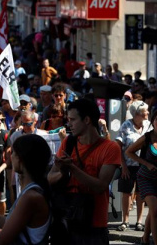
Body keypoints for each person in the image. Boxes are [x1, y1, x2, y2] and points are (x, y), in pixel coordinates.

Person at [48, 99, 120, 244]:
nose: (69, 124)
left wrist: (72, 168)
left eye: (73, 120)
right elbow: (50, 177)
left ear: (87, 120)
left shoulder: (110, 147)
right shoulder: (68, 143)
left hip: (93, 224)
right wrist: (63, 173)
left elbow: (100, 186)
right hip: (66, 220)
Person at [115, 100, 150, 232]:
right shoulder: (126, 125)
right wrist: (123, 165)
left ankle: (139, 221)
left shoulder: (148, 125)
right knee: (126, 193)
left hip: (143, 164)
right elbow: (118, 146)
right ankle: (125, 221)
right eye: (144, 111)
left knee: (141, 193)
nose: (147, 113)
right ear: (136, 114)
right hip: (128, 165)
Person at [125, 110, 157, 245]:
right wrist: (146, 163)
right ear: (153, 121)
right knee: (155, 211)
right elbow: (129, 152)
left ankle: (145, 238)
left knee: (154, 211)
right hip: (146, 178)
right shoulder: (147, 137)